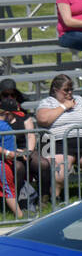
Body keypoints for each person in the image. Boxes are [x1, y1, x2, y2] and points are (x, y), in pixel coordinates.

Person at [36, 73, 82, 194]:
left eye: (71, 89)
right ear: (55, 90)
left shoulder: (80, 100)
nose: (69, 93)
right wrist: (64, 106)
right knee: (58, 171)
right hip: (57, 142)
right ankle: (54, 201)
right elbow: (43, 120)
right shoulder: (47, 102)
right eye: (65, 90)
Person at [0, 78, 44, 215]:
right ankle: (20, 213)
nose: (9, 98)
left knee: (42, 164)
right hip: (5, 158)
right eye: (5, 95)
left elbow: (30, 136)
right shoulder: (3, 123)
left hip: (15, 153)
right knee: (9, 185)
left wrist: (26, 151)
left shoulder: (19, 116)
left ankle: (38, 200)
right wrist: (9, 153)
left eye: (12, 95)